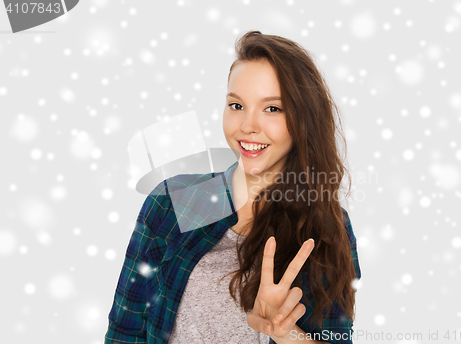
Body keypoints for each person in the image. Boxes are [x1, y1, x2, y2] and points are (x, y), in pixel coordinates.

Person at [104, 30, 361, 344]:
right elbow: (124, 332)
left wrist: (285, 333)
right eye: (236, 105)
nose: (247, 126)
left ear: (303, 121)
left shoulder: (324, 224)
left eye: (272, 109)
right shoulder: (176, 201)